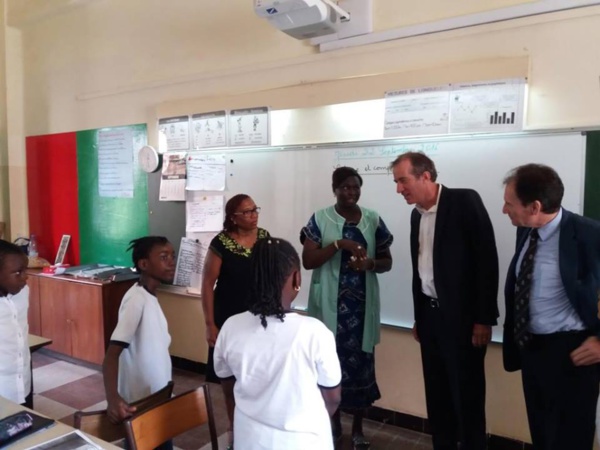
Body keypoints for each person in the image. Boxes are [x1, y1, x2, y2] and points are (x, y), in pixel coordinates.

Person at [390, 152, 498, 450]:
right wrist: (419, 317)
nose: (399, 189)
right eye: (397, 182)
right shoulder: (417, 215)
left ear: (426, 176)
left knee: (468, 398)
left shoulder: (464, 202)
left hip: (465, 322)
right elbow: (422, 270)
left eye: (403, 180)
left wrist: (484, 318)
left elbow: (486, 261)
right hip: (431, 317)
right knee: (437, 397)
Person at [502, 163, 600, 450]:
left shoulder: (589, 235)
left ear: (534, 206)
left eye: (509, 204)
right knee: (542, 434)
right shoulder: (526, 230)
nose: (504, 210)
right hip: (533, 350)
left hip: (574, 354)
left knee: (571, 439)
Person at [214, 237, 342, 450]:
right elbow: (333, 398)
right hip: (304, 441)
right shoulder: (315, 332)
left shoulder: (230, 327)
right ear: (296, 280)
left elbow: (228, 390)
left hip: (249, 440)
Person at [300, 166, 393, 449]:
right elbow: (309, 261)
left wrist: (369, 265)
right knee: (328, 367)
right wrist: (339, 244)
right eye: (345, 187)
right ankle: (333, 423)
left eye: (355, 187)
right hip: (330, 310)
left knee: (361, 370)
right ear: (335, 189)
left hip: (361, 309)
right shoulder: (320, 218)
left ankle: (357, 428)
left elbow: (387, 261)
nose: (351, 192)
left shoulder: (373, 219)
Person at [103, 236, 175, 431]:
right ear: (144, 264)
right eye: (163, 257)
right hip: (140, 402)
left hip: (157, 396)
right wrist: (113, 398)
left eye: (172, 256)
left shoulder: (149, 296)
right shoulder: (136, 299)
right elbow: (112, 354)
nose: (171, 262)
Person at [201, 194, 269, 382]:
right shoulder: (221, 242)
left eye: (255, 210)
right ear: (233, 217)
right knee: (228, 372)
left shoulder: (264, 237)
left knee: (254, 369)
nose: (254, 215)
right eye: (247, 212)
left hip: (257, 311)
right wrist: (209, 324)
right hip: (227, 313)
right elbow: (207, 284)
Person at [0, 240, 31, 408]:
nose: (25, 277)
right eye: (18, 272)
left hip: (22, 382)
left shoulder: (23, 291)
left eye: (25, 270)